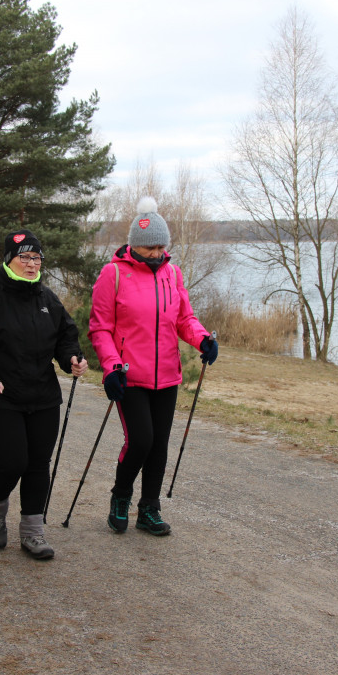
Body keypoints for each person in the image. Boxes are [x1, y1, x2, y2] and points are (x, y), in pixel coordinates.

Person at [88, 197, 218, 536]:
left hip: (167, 376)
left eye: (160, 245)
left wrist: (203, 339)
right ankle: (121, 497)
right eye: (148, 247)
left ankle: (149, 509)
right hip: (129, 375)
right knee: (141, 440)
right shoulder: (113, 274)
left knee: (159, 444)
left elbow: (184, 319)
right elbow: (100, 327)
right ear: (134, 245)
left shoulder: (173, 274)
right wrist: (111, 367)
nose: (155, 252)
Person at [0, 229, 87, 560]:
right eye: (24, 257)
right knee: (12, 461)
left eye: (36, 257)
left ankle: (32, 532)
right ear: (9, 260)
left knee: (38, 463)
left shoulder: (47, 299)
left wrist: (71, 357)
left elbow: (65, 336)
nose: (31, 264)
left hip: (42, 396)